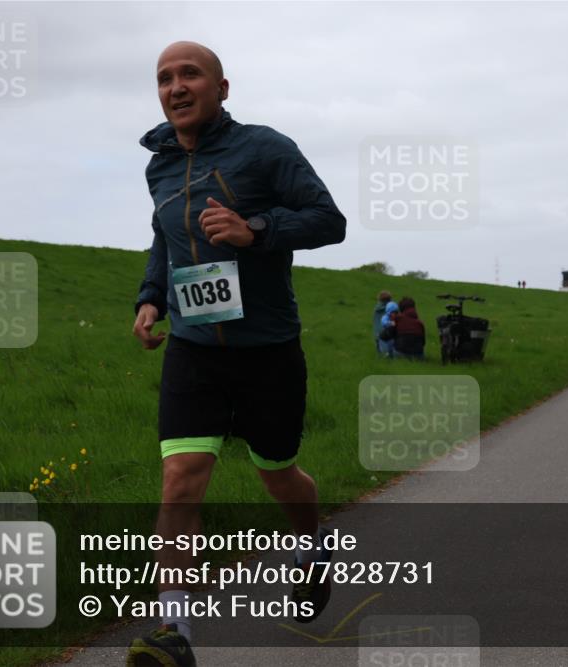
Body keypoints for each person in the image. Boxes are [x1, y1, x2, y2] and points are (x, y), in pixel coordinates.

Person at [129, 41, 346, 667]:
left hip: (267, 351)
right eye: (164, 78)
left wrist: (256, 230)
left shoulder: (265, 148)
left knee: (278, 474)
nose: (176, 87)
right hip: (195, 348)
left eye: (190, 74)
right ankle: (173, 634)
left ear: (222, 88)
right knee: (180, 479)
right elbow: (164, 239)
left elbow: (328, 220)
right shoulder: (159, 168)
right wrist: (151, 299)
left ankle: (312, 546)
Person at [372, 291, 392, 355]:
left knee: (379, 350)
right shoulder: (390, 309)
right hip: (386, 333)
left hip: (377, 332)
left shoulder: (376, 309)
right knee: (387, 350)